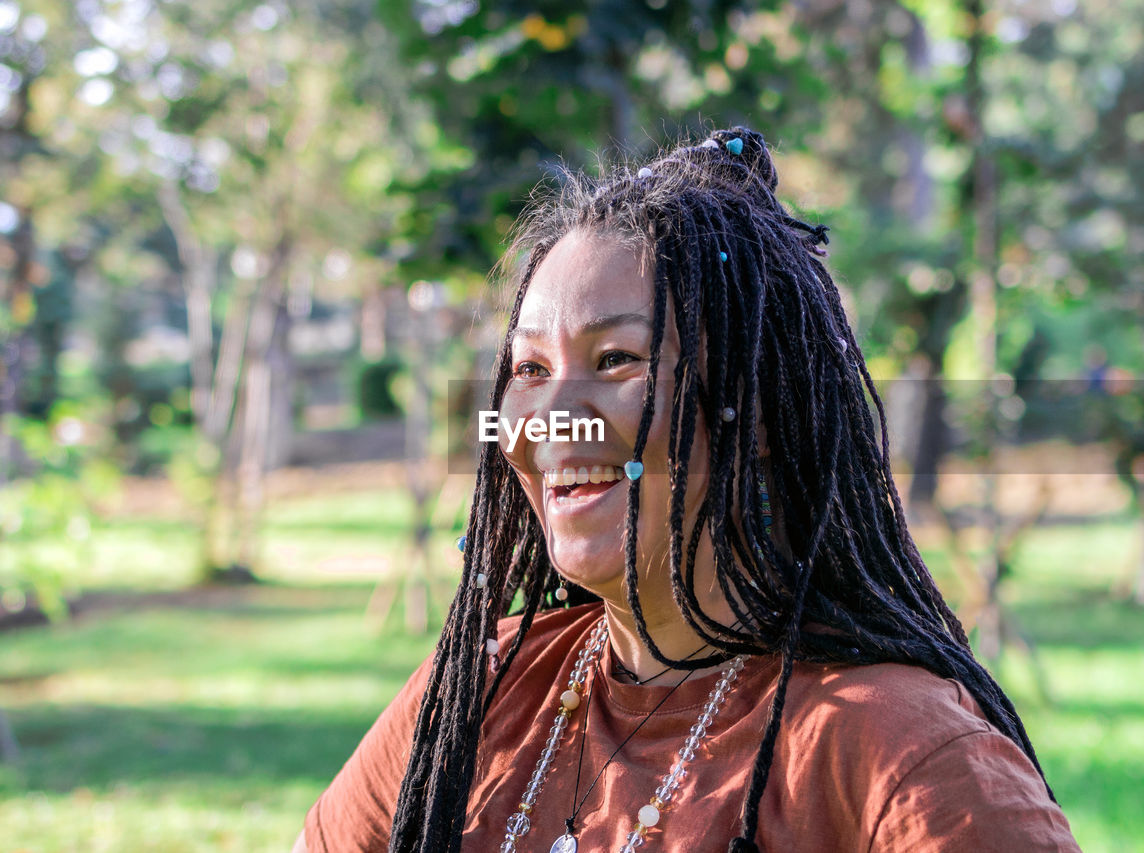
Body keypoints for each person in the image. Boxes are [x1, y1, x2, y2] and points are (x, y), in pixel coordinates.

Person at [296, 127, 1080, 852]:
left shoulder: (900, 754)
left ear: (759, 412)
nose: (553, 421)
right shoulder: (480, 690)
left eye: (616, 361)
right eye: (531, 370)